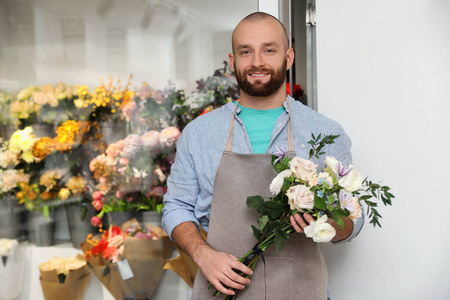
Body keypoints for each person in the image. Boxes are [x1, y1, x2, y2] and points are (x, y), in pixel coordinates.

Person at [162, 12, 364, 299]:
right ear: (233, 61)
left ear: (289, 57)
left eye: (269, 49)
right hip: (223, 291)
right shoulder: (199, 134)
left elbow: (354, 215)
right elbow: (176, 207)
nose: (257, 61)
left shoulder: (325, 132)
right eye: (246, 51)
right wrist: (204, 256)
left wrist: (329, 224)